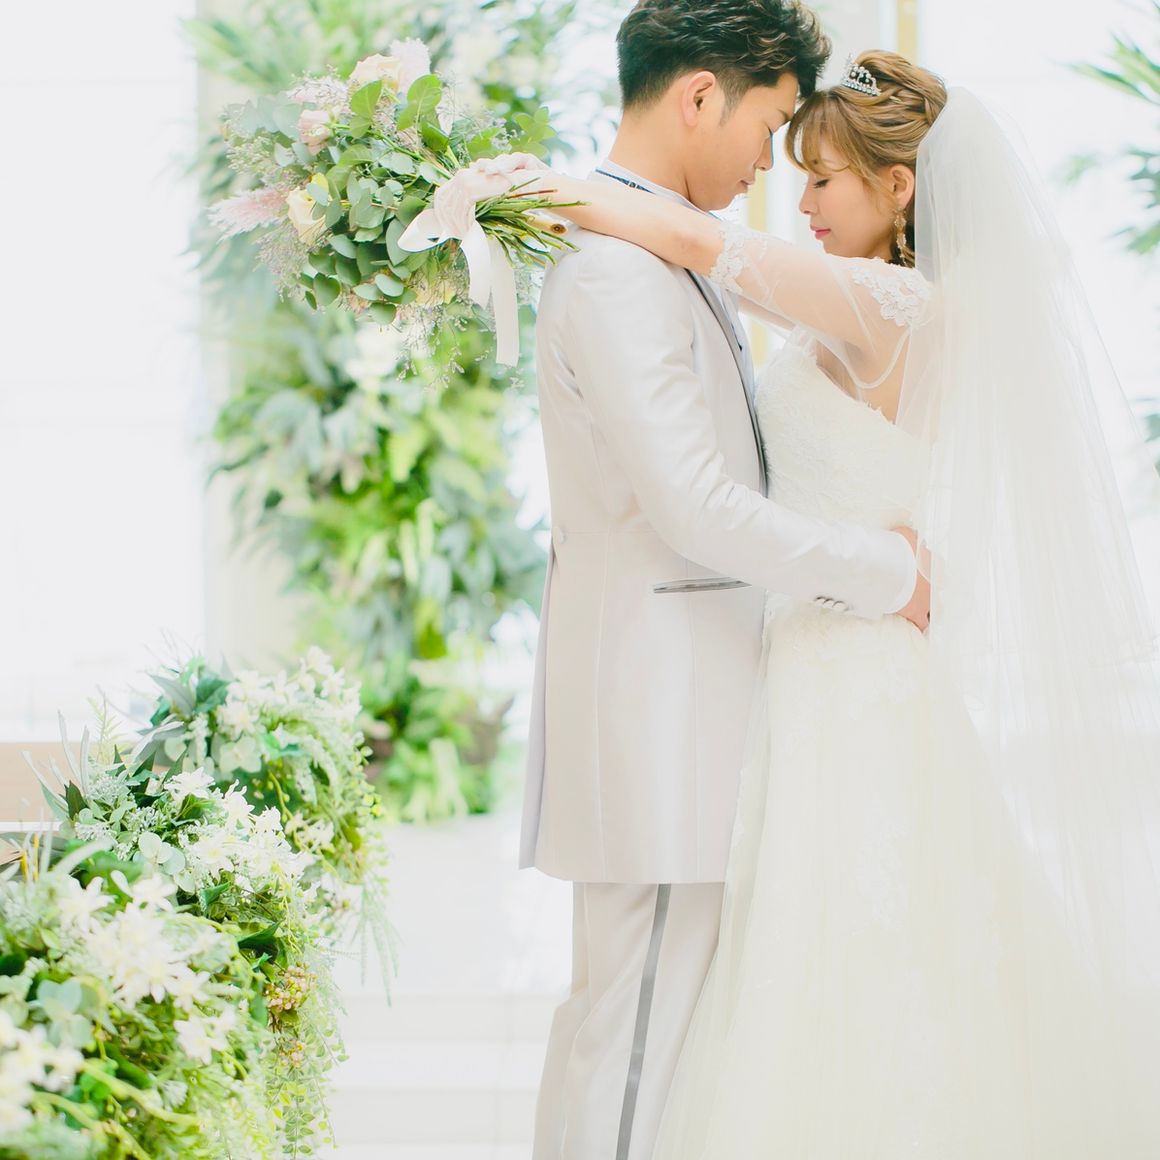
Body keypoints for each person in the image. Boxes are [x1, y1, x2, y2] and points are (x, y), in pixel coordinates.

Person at [520, 49, 1160, 1158]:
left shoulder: (892, 302)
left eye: (822, 177)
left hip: (849, 662)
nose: (800, 197)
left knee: (854, 954)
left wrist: (538, 191)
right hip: (807, 652)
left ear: (899, 187)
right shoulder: (856, 304)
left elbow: (702, 246)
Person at [519, 6, 931, 1159]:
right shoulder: (620, 268)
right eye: (767, 125)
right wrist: (888, 570)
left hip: (701, 701)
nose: (770, 166)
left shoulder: (651, 245)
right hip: (662, 709)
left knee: (637, 1028)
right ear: (700, 96)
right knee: (633, 1040)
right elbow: (696, 506)